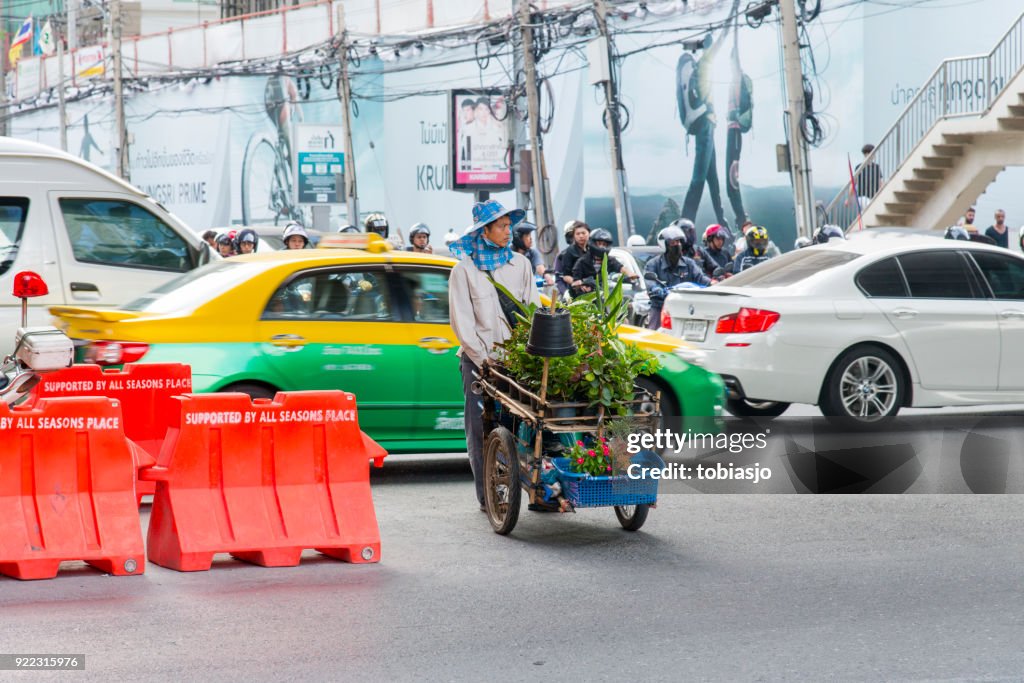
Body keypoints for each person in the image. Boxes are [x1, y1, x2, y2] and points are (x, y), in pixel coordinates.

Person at [448, 200, 540, 512]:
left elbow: (533, 312)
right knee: (480, 431)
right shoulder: (464, 271)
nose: (507, 231)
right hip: (478, 363)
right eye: (501, 226)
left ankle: (531, 489)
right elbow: (462, 323)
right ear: (484, 231)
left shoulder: (521, 265)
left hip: (516, 364)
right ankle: (487, 496)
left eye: (508, 225)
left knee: (523, 425)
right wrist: (483, 358)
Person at [645, 225, 712, 329]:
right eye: (673, 243)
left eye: (679, 242)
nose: (677, 245)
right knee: (654, 332)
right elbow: (649, 281)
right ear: (665, 245)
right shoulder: (653, 264)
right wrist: (655, 289)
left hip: (684, 307)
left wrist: (712, 283)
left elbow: (701, 278)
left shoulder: (689, 263)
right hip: (661, 306)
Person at [571, 228, 637, 296]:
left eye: (604, 244)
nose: (602, 246)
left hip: (606, 295)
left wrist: (630, 274)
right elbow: (575, 281)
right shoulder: (582, 261)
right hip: (587, 298)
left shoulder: (610, 260)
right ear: (592, 243)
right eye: (599, 243)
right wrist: (582, 285)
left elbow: (620, 267)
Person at [555, 220, 589, 297]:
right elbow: (559, 279)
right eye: (576, 234)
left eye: (583, 233)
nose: (580, 236)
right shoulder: (563, 255)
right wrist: (565, 292)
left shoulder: (590, 252)